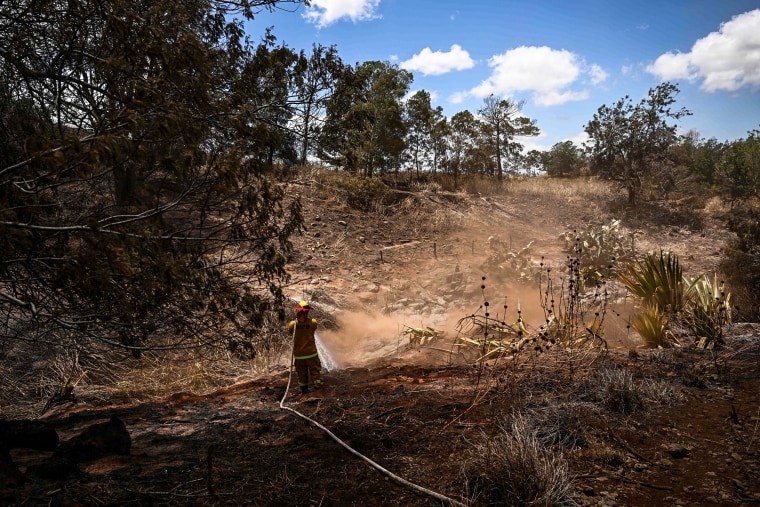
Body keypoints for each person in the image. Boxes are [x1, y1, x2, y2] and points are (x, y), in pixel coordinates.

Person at [287, 301, 323, 394]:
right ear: (307, 312)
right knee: (315, 371)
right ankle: (318, 388)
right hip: (311, 353)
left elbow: (291, 331)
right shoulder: (312, 322)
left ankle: (304, 390)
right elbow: (313, 328)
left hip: (299, 355)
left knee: (302, 374)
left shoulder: (292, 324)